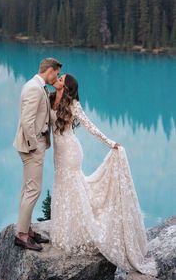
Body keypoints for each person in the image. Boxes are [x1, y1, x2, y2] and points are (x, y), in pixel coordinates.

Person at [48, 73, 157, 277]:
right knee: (61, 186)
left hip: (71, 151)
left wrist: (111, 143)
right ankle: (66, 229)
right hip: (58, 153)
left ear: (67, 85)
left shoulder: (73, 105)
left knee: (72, 186)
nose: (58, 78)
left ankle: (81, 231)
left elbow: (90, 127)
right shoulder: (50, 98)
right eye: (58, 76)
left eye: (61, 77)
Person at [12, 57, 62, 251]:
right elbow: (27, 121)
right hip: (31, 146)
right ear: (49, 70)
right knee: (33, 190)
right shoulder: (34, 88)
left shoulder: (38, 86)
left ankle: (27, 229)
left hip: (32, 144)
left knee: (28, 189)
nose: (56, 77)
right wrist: (34, 144)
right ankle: (22, 236)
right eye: (56, 74)